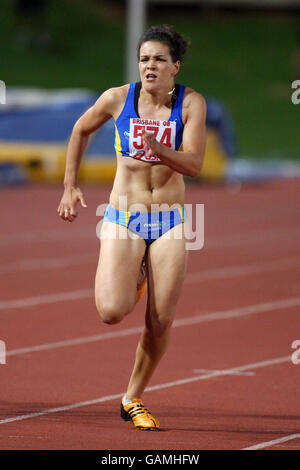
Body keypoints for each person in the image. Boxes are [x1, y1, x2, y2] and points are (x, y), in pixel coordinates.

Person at [57, 24, 206, 431]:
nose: (150, 66)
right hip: (124, 215)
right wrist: (70, 186)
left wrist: (160, 149)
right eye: (144, 59)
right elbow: (80, 129)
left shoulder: (191, 104)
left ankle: (132, 397)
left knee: (160, 320)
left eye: (159, 59)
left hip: (170, 220)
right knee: (111, 311)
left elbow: (195, 164)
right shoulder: (118, 99)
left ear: (175, 66)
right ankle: (138, 271)